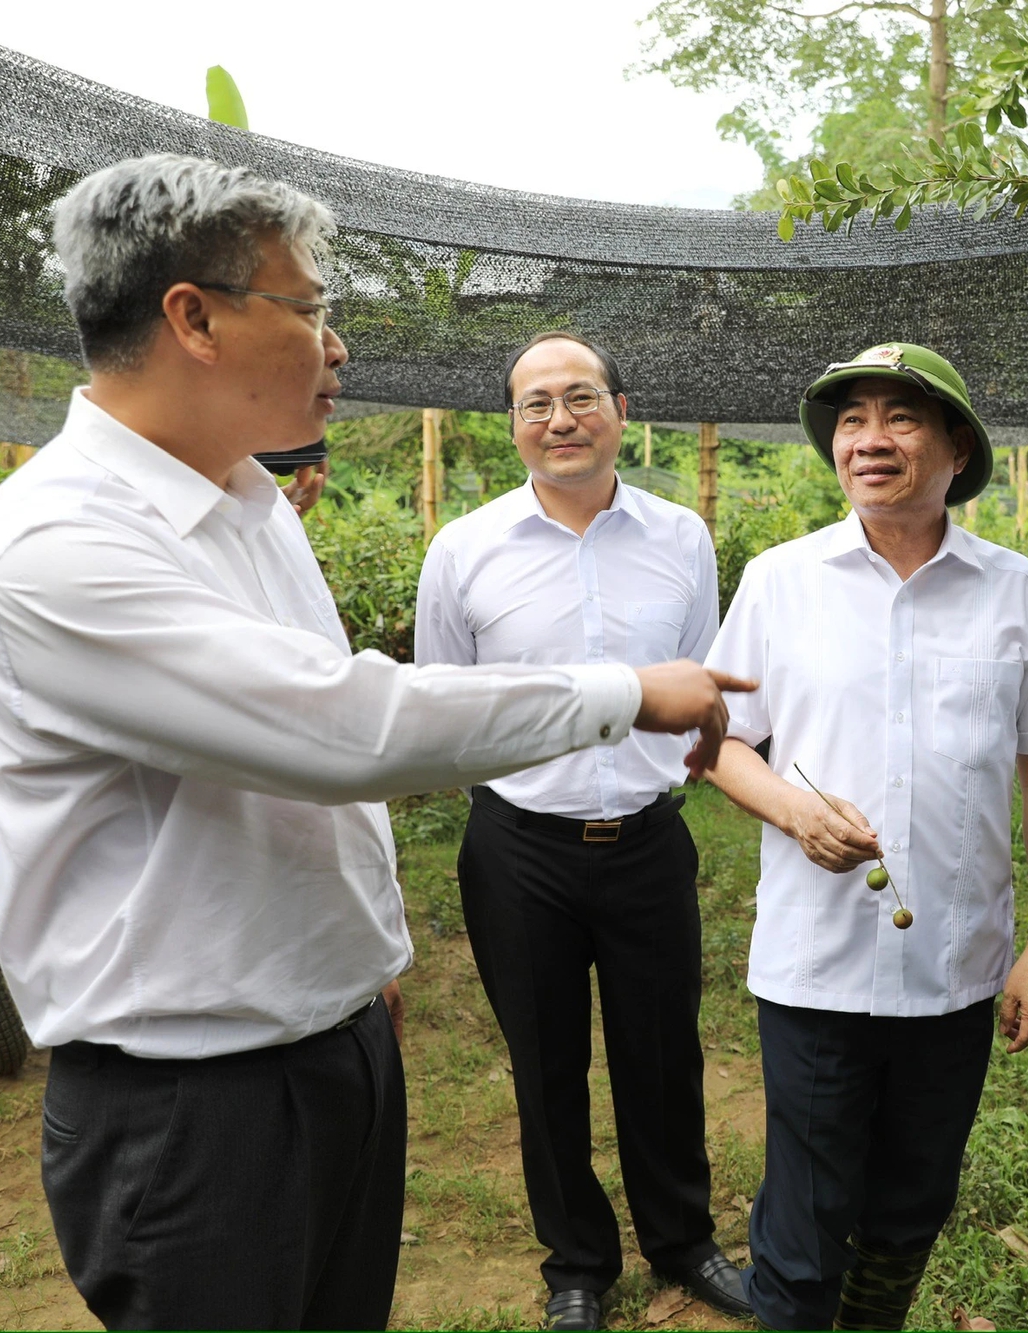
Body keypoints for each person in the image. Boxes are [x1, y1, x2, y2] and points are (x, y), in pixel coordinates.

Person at [0, 154, 748, 1333]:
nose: (338, 345)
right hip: (192, 1105)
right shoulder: (52, 547)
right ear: (194, 317)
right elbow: (345, 725)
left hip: (324, 1042)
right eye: (311, 308)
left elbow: (301, 767)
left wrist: (354, 968)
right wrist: (623, 689)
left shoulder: (249, 507)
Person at [702, 344, 1028, 1331]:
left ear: (954, 447)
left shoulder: (1016, 592)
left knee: (912, 1200)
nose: (870, 439)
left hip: (955, 964)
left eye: (900, 417)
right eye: (851, 420)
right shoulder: (780, 579)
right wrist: (793, 811)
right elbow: (719, 744)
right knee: (802, 1225)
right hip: (814, 963)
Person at [414, 331, 748, 1331]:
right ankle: (575, 1265)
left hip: (646, 838)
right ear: (513, 424)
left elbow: (695, 685)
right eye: (534, 403)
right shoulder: (464, 549)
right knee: (544, 1059)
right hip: (520, 847)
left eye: (577, 397)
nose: (557, 419)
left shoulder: (680, 538)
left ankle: (682, 1242)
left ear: (618, 407)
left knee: (661, 1051)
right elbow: (444, 702)